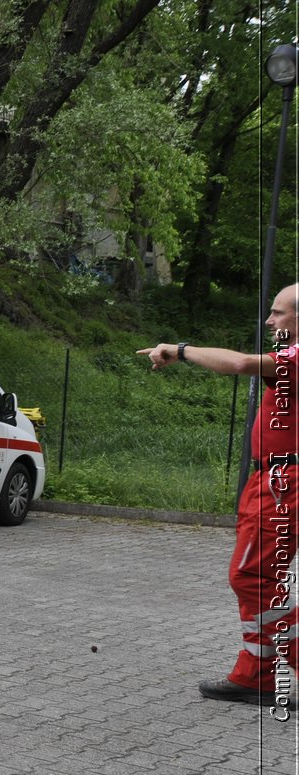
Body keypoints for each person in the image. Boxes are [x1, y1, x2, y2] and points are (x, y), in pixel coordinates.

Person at [140, 282, 299, 706]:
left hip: (282, 484)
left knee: (252, 577)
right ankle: (255, 674)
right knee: (260, 579)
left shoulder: (297, 357)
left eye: (278, 313)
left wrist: (181, 350)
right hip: (270, 480)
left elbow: (241, 363)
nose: (269, 320)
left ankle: (273, 667)